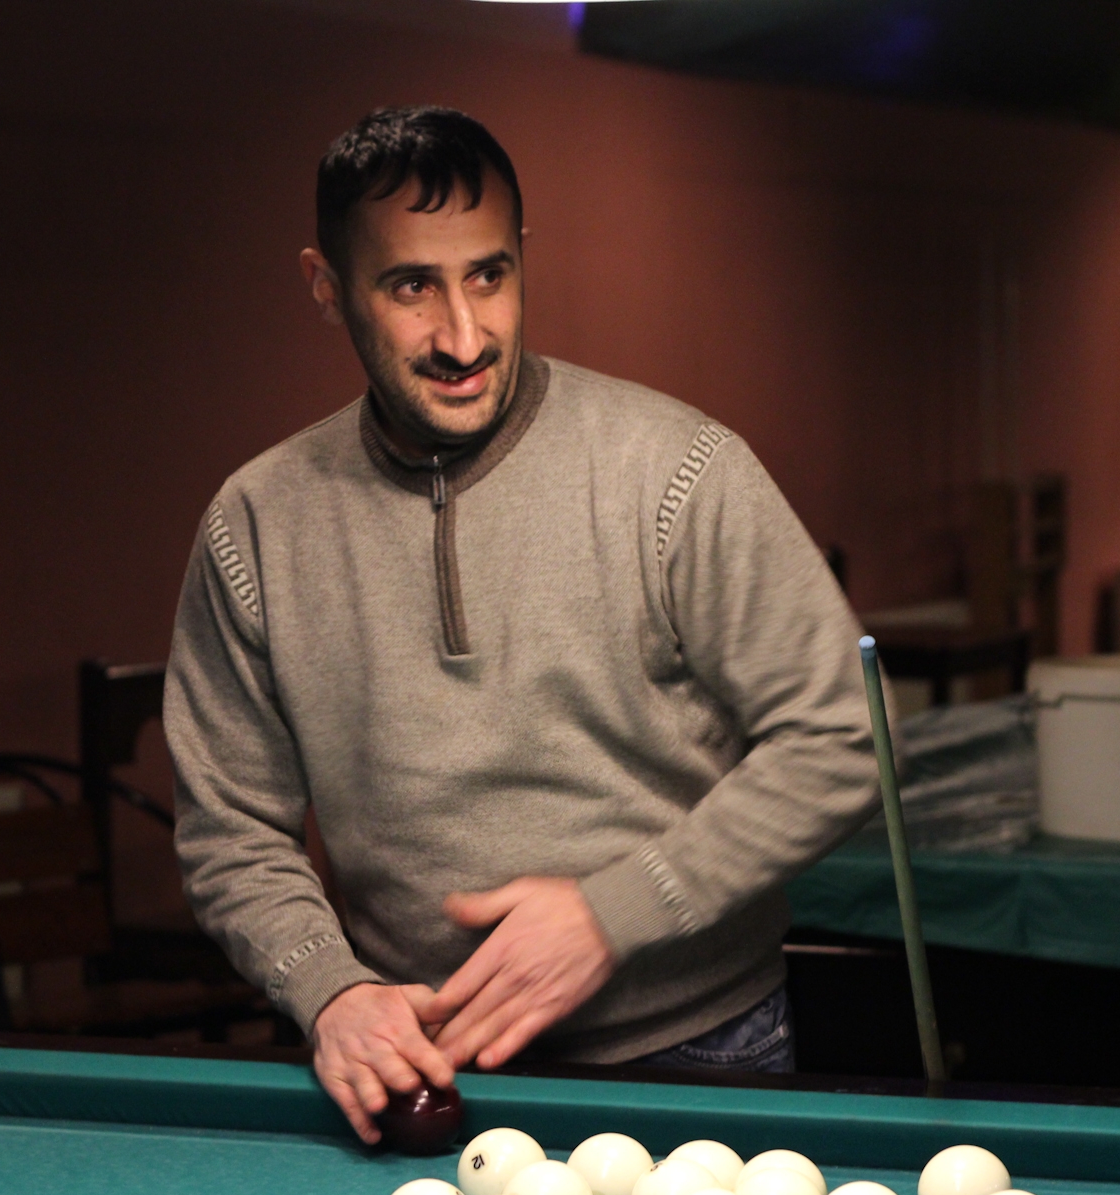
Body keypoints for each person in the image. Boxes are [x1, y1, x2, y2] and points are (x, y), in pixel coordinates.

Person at [165, 107, 879, 1143]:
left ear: (522, 258)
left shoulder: (676, 471)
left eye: (489, 276)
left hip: (697, 1053)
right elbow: (230, 829)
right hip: (421, 1074)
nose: (463, 337)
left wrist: (611, 914)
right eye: (412, 286)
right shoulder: (256, 523)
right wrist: (329, 988)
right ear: (326, 286)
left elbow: (846, 737)